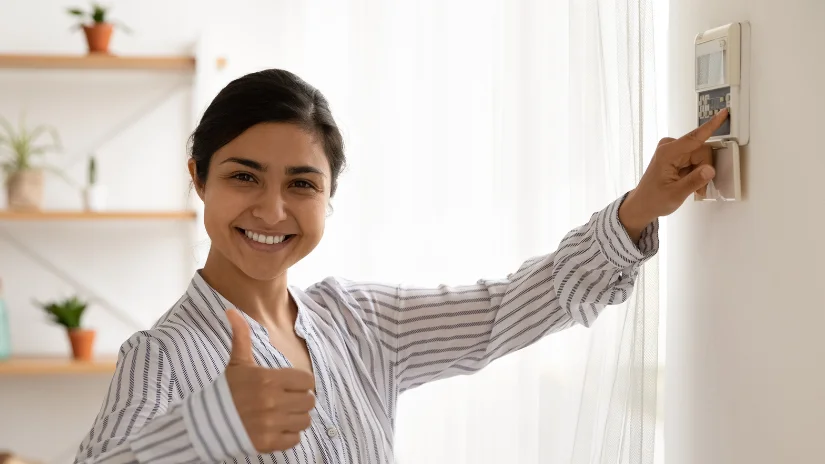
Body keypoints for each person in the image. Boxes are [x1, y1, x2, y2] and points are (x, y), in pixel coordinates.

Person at [73, 69, 727, 464]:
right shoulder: (161, 356)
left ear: (329, 198)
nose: (271, 210)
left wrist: (641, 206)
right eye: (244, 176)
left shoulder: (359, 322)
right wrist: (207, 425)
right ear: (199, 180)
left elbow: (507, 308)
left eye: (301, 184)